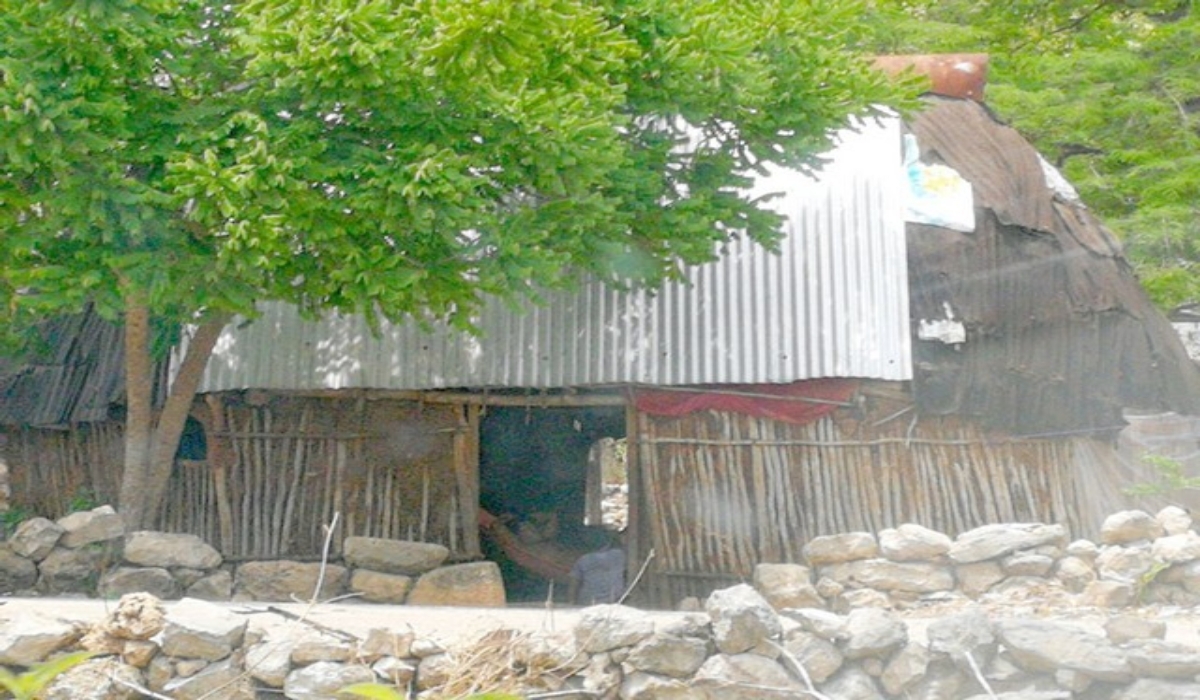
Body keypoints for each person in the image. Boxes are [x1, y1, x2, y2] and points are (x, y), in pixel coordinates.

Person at [568, 527, 626, 605]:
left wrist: (571, 602)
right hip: (614, 601)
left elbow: (573, 584)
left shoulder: (583, 560)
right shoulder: (619, 555)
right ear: (608, 542)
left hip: (588, 602)